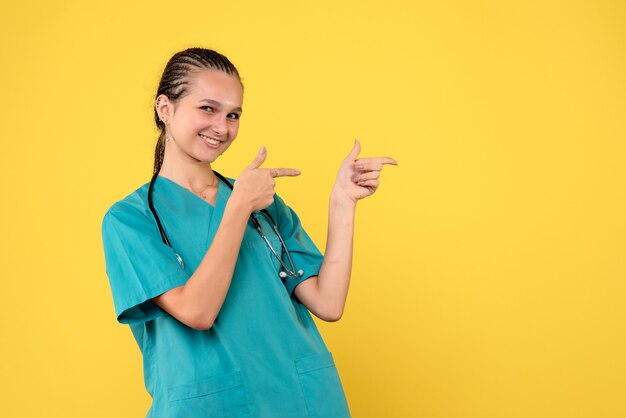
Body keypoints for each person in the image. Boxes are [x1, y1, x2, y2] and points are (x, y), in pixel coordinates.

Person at [101, 47, 397, 418]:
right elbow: (197, 312)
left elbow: (328, 303)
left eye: (233, 114)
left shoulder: (262, 202)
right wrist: (238, 206)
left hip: (303, 401)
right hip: (210, 407)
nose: (222, 128)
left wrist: (343, 202)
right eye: (207, 108)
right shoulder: (131, 220)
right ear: (165, 108)